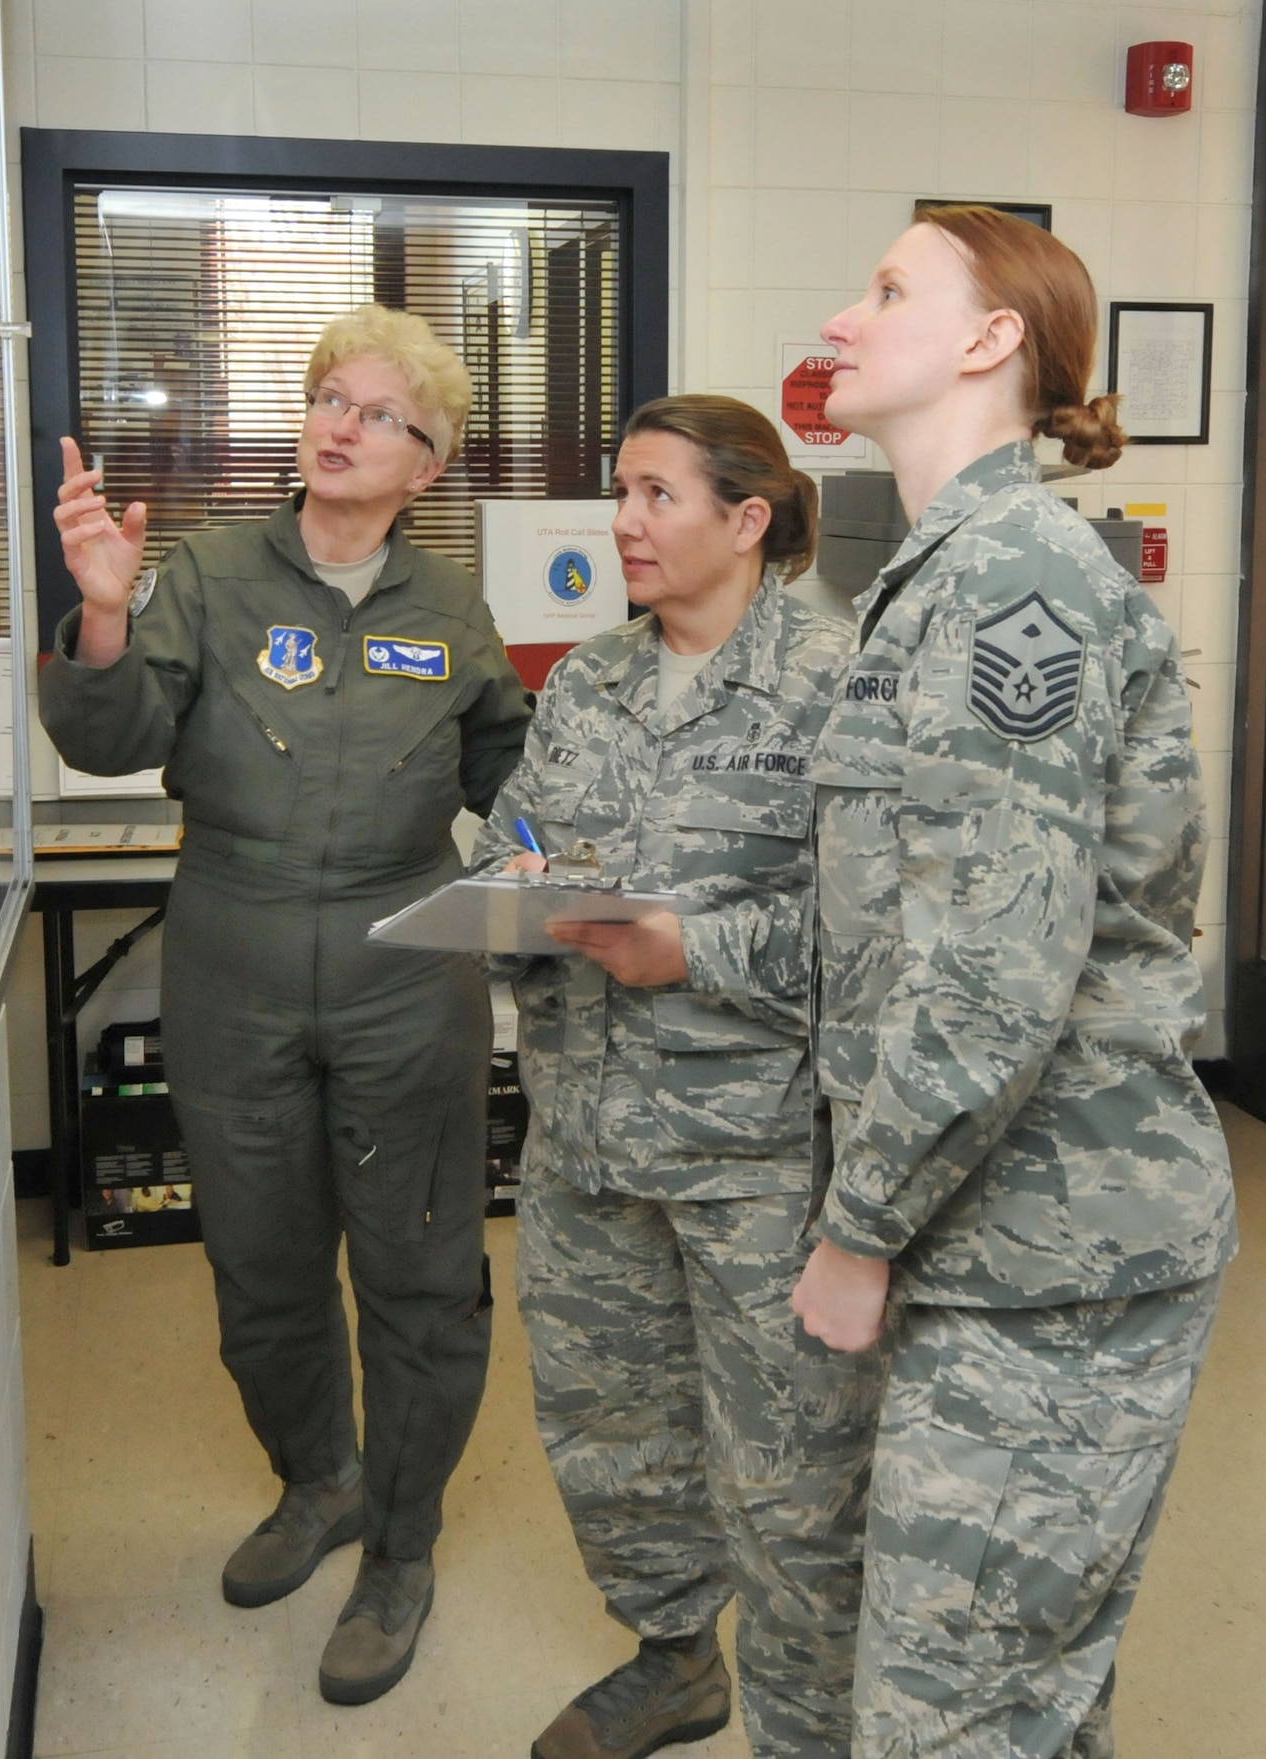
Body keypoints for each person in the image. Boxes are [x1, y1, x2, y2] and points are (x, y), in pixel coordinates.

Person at [790, 206, 1238, 1757]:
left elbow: (995, 971)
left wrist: (858, 1232)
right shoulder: (937, 576)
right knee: (1018, 1701)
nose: (845, 320)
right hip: (994, 1235)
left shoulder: (1007, 583)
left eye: (889, 289)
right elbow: (893, 934)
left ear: (991, 343)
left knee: (953, 1716)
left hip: (1054, 1252)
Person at [38, 304, 533, 1705]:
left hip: (403, 968)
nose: (341, 427)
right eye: (330, 399)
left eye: (382, 417)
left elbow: (515, 772)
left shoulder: (451, 608)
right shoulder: (205, 572)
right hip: (234, 956)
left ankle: (402, 1543)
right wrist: (104, 609)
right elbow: (115, 736)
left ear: (428, 466)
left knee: (421, 1271)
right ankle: (318, 1481)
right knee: (260, 1270)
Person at [474, 395, 881, 1759]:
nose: (625, 523)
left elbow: (880, 936)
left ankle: (813, 1718)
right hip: (583, 1137)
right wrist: (508, 891)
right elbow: (511, 843)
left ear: (747, 518)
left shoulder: (843, 683)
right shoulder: (588, 679)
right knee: (615, 1435)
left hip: (755, 1159)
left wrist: (687, 949)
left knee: (789, 1471)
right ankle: (671, 1659)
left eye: (657, 496)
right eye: (621, 493)